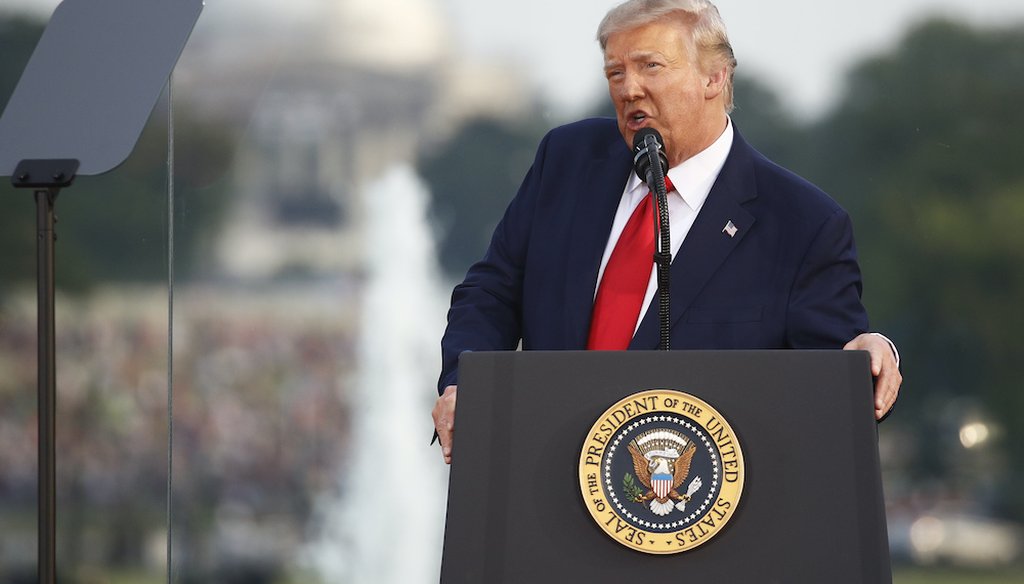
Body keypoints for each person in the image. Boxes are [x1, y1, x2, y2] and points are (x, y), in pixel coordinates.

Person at [432, 0, 901, 464]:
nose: (629, 89)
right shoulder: (567, 160)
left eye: (650, 67)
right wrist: (466, 384)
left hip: (694, 508)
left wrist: (866, 357)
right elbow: (491, 292)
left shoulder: (803, 224)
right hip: (545, 476)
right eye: (615, 73)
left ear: (714, 77)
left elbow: (835, 382)